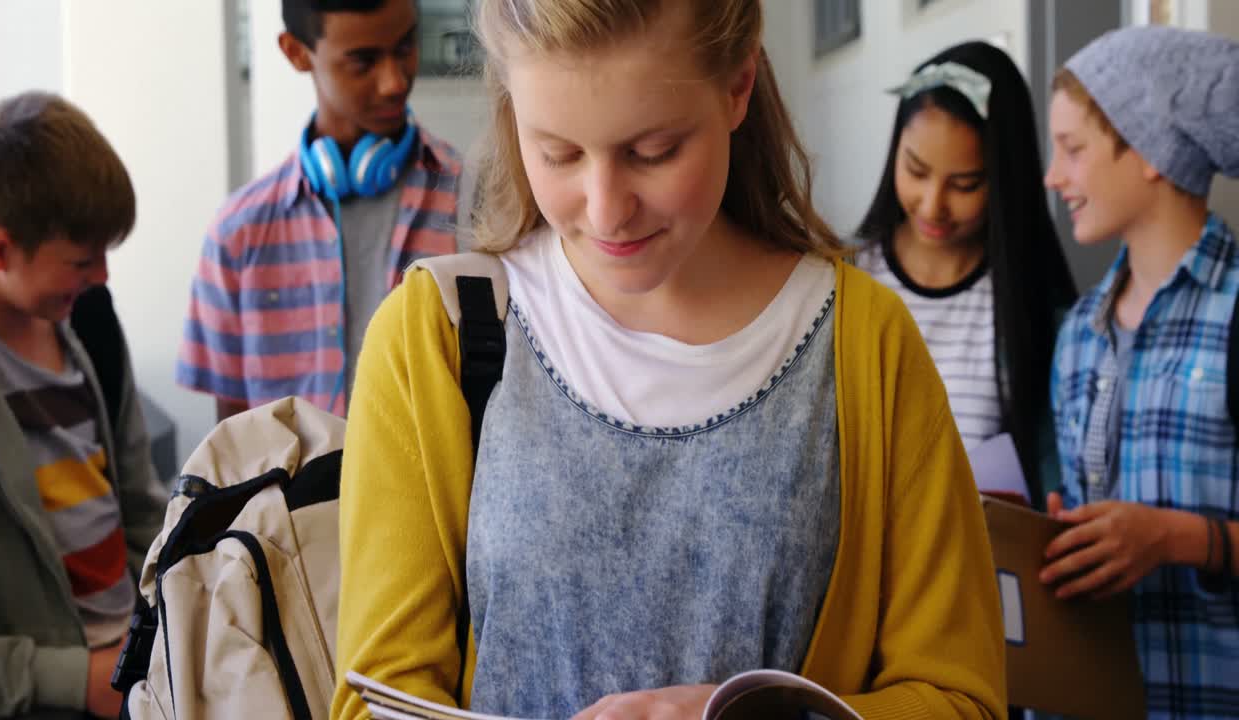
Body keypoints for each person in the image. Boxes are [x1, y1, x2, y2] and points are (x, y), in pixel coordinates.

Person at [331, 1, 1008, 719]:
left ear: (738, 84)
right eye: (557, 153)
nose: (606, 210)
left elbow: (961, 700)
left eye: (652, 151)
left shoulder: (867, 345)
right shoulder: (431, 337)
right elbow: (378, 699)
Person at [1042, 26, 1239, 719]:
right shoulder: (1080, 334)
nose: (1053, 175)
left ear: (1151, 150)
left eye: (1073, 150)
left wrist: (1170, 537)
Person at [0, 92, 168, 719]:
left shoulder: (90, 322)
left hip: (138, 678)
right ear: (0, 252)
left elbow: (137, 501)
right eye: (82, 260)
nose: (102, 276)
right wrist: (76, 680)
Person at [177, 0, 465, 420]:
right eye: (364, 61)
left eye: (405, 46)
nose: (394, 81)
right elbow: (234, 436)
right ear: (296, 52)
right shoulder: (238, 233)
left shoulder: (476, 199)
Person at [854, 41, 1076, 505]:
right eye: (916, 170)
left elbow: (1052, 468)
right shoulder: (849, 278)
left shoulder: (1029, 302)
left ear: (1004, 179)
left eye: (965, 184)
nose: (934, 205)